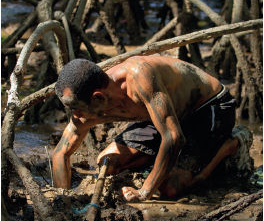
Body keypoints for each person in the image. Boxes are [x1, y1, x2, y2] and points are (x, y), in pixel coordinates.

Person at [53, 56, 253, 201]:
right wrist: (64, 197)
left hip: (208, 107)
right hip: (161, 117)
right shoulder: (89, 105)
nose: (75, 115)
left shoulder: (139, 78)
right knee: (107, 163)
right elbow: (61, 152)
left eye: (76, 107)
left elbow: (174, 137)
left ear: (99, 97)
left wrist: (144, 192)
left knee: (169, 188)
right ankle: (164, 157)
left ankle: (230, 145)